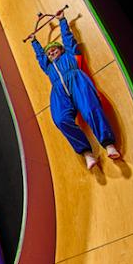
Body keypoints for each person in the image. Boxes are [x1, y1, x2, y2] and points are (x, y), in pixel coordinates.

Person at [30, 12, 120, 170]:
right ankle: (87, 153)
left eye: (54, 50)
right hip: (59, 92)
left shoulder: (70, 54)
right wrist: (34, 42)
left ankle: (108, 144)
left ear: (61, 50)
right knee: (60, 120)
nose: (51, 53)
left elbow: (67, 39)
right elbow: (40, 57)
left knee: (90, 109)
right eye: (49, 53)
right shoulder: (48, 67)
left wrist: (62, 21)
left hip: (77, 82)